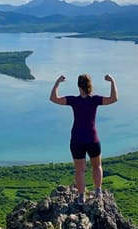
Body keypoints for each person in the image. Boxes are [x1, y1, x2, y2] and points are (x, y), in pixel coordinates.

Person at [50, 73, 118, 203]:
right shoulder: (95, 100)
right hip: (92, 139)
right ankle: (98, 192)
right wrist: (112, 81)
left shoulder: (74, 101)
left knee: (80, 170)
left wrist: (57, 83)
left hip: (77, 140)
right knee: (97, 166)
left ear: (78, 86)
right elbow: (114, 98)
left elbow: (54, 98)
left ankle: (81, 197)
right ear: (90, 85)